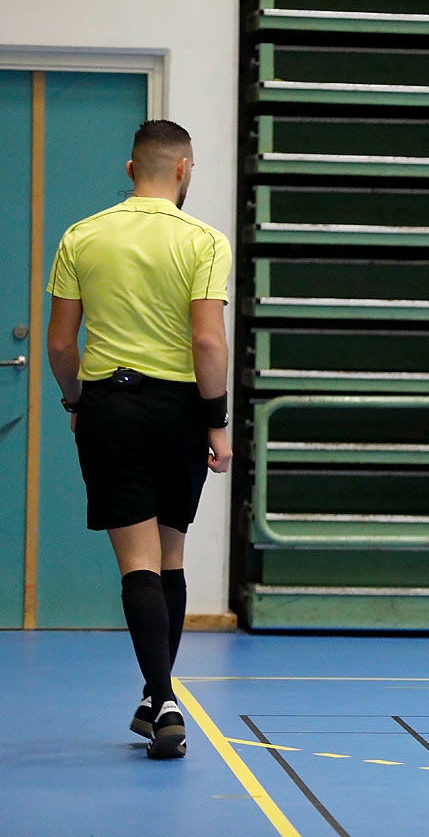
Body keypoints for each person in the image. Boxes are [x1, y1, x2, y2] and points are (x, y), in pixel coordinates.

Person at [45, 120, 232, 758]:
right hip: (179, 410)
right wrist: (217, 420)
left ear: (131, 170)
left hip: (110, 408)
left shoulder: (81, 236)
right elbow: (208, 342)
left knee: (138, 564)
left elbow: (61, 344)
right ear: (183, 170)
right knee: (171, 555)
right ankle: (162, 697)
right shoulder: (205, 241)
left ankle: (162, 699)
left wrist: (75, 401)